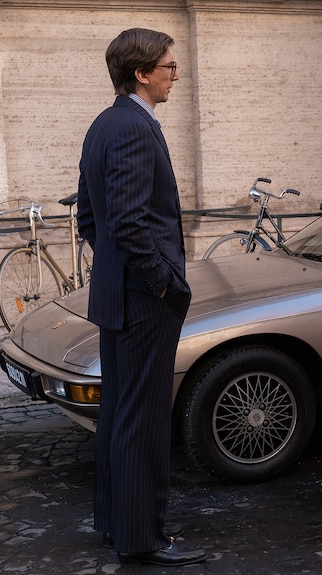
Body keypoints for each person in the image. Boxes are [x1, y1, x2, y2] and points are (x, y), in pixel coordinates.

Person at [77, 28, 206, 567]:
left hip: (117, 294)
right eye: (169, 67)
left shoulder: (105, 123)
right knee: (143, 421)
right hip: (141, 301)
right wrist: (162, 282)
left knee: (119, 417)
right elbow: (128, 223)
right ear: (141, 73)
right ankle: (143, 538)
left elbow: (89, 218)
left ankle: (117, 525)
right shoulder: (132, 127)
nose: (176, 75)